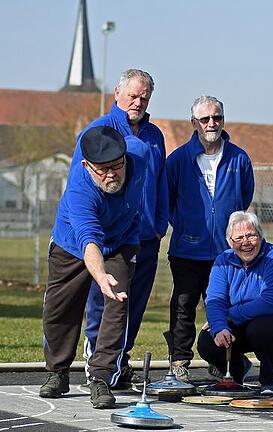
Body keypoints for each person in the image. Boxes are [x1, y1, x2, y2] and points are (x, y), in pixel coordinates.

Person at [73, 69, 168, 389]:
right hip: (111, 234)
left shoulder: (155, 135)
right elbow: (81, 179)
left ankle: (119, 359)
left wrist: (160, 223)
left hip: (146, 235)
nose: (138, 102)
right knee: (106, 299)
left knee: (135, 302)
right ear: (117, 94)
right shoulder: (99, 130)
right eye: (132, 95)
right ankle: (96, 358)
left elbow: (160, 181)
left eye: (144, 97)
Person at [39, 126, 145, 409]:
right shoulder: (80, 190)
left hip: (121, 239)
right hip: (74, 244)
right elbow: (89, 240)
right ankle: (57, 372)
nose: (112, 174)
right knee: (60, 308)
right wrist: (100, 276)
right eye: (103, 169)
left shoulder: (140, 154)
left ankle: (100, 377)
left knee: (117, 304)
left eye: (117, 166)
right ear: (86, 166)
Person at [166, 95, 255, 381]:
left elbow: (244, 197)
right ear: (194, 123)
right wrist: (186, 227)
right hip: (187, 250)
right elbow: (167, 202)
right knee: (183, 307)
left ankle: (223, 361)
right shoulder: (179, 160)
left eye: (216, 117)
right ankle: (179, 362)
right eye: (204, 119)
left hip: (226, 253)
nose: (211, 123)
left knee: (225, 309)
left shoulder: (239, 159)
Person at [198, 211, 273, 395]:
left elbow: (272, 303)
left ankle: (270, 380)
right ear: (230, 242)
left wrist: (230, 314)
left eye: (251, 235)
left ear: (261, 237)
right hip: (241, 324)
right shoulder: (222, 261)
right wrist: (219, 325)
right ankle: (234, 374)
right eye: (238, 238)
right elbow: (215, 300)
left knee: (262, 328)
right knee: (207, 340)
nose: (245, 242)